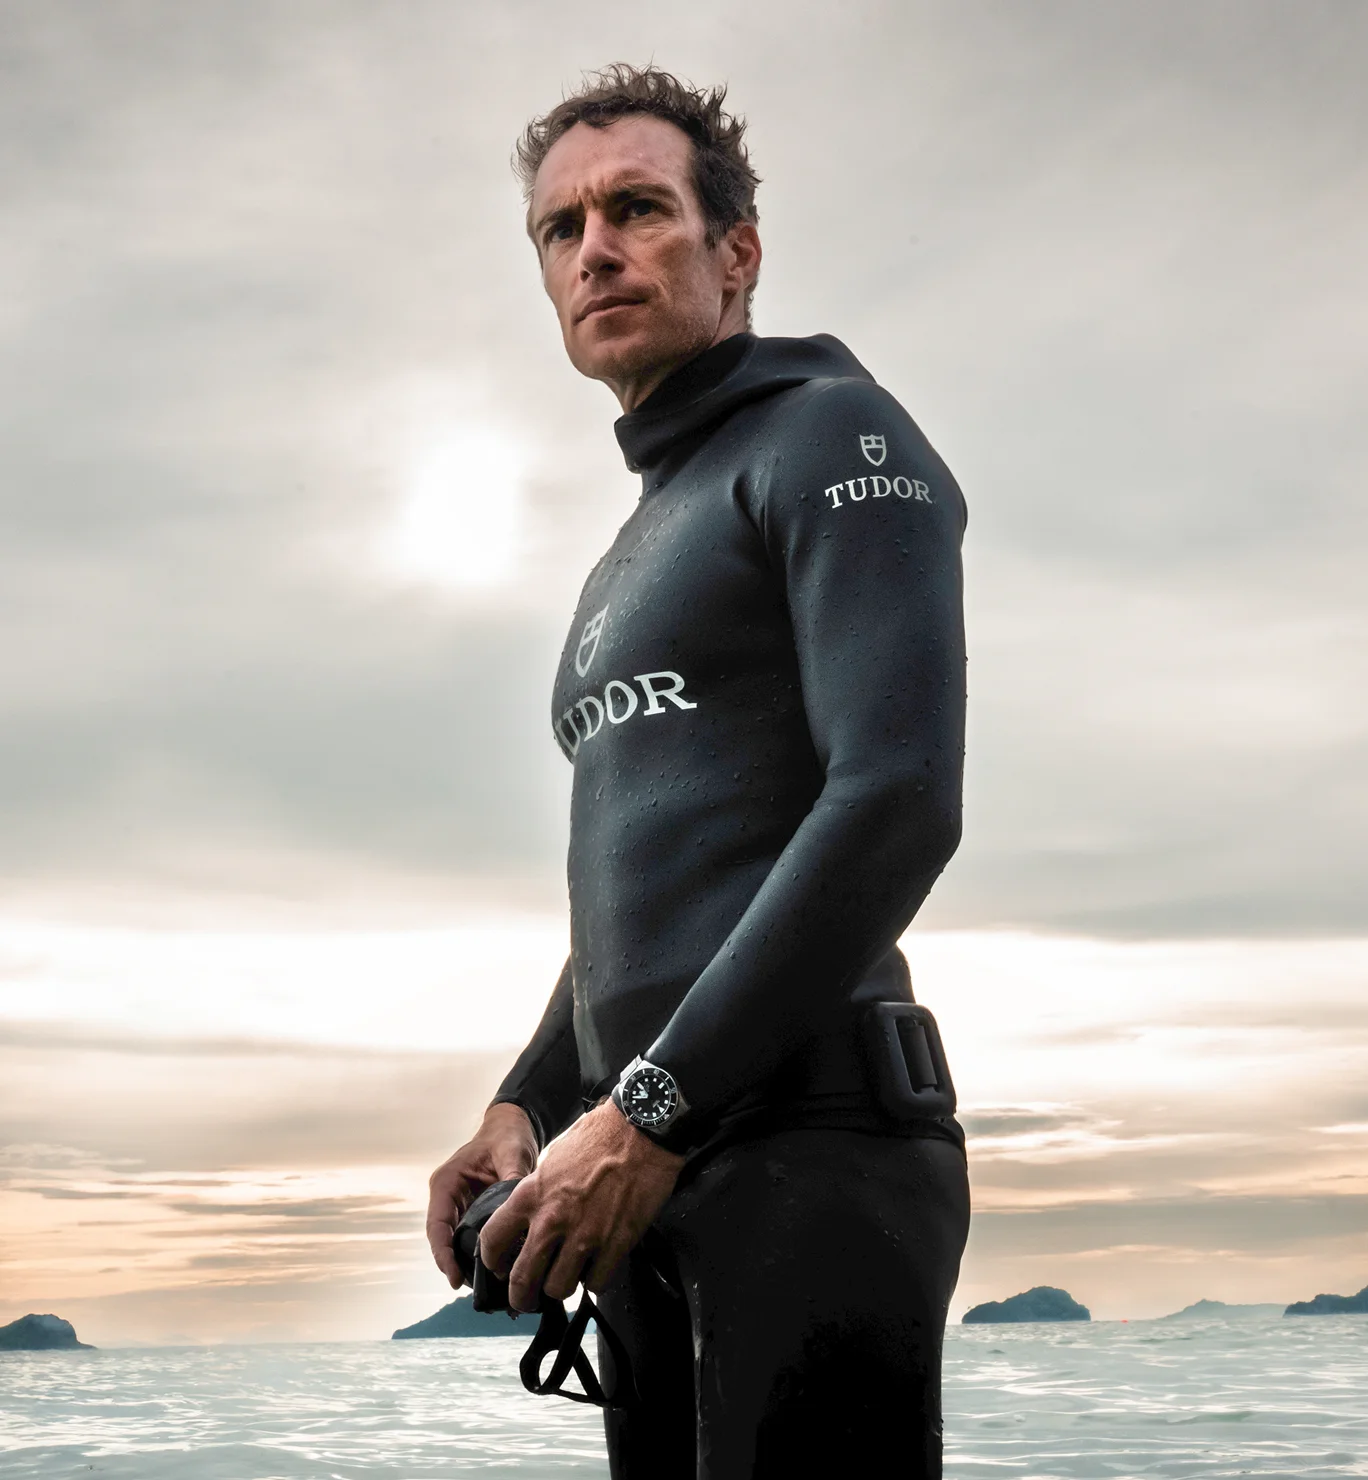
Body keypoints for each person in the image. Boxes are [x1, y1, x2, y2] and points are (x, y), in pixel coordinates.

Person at [425, 64, 970, 1479]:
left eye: (637, 208)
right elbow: (654, 889)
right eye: (560, 229)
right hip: (643, 1169)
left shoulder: (833, 437)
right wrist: (530, 1100)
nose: (593, 248)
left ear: (736, 254)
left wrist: (652, 1107)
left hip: (813, 1146)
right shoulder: (638, 544)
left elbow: (898, 797)